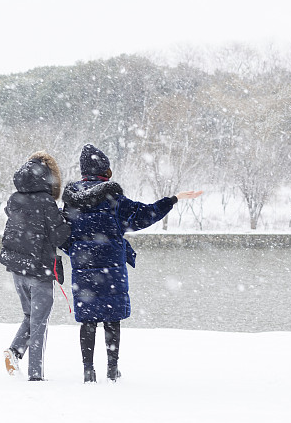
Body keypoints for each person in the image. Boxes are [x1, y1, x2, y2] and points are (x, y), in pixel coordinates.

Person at [61, 144, 203, 383]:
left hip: (83, 267)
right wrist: (173, 199)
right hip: (111, 267)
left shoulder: (71, 200)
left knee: (88, 320)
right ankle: (112, 369)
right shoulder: (113, 197)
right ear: (105, 170)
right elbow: (143, 215)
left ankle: (88, 371)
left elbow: (64, 233)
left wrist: (76, 251)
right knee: (111, 317)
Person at [0, 151, 71, 381]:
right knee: (39, 322)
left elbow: (17, 220)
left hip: (17, 267)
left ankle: (15, 352)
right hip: (39, 269)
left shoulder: (14, 198)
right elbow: (60, 236)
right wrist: (67, 219)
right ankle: (36, 375)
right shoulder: (45, 202)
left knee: (30, 316)